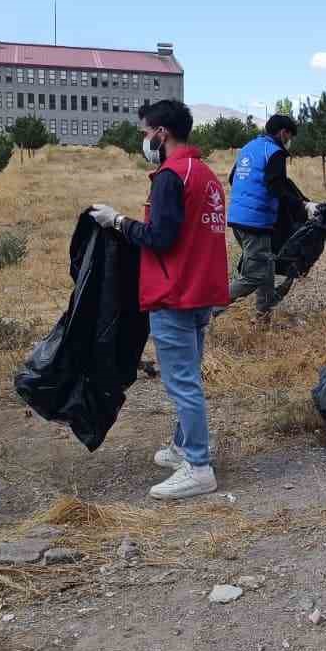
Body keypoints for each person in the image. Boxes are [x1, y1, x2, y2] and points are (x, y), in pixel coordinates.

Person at [89, 100, 229, 500]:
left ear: (161, 133)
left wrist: (118, 221)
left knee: (182, 382)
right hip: (200, 290)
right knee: (190, 377)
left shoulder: (170, 176)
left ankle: (198, 467)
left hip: (175, 293)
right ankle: (184, 448)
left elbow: (161, 238)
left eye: (144, 132)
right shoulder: (203, 173)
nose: (144, 139)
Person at [225, 115, 320, 323]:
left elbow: (233, 178)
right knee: (253, 276)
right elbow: (277, 187)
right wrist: (302, 206)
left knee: (266, 268)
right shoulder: (275, 153)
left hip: (237, 219)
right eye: (290, 135)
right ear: (283, 132)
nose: (289, 140)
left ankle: (262, 321)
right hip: (255, 223)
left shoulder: (250, 147)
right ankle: (208, 307)